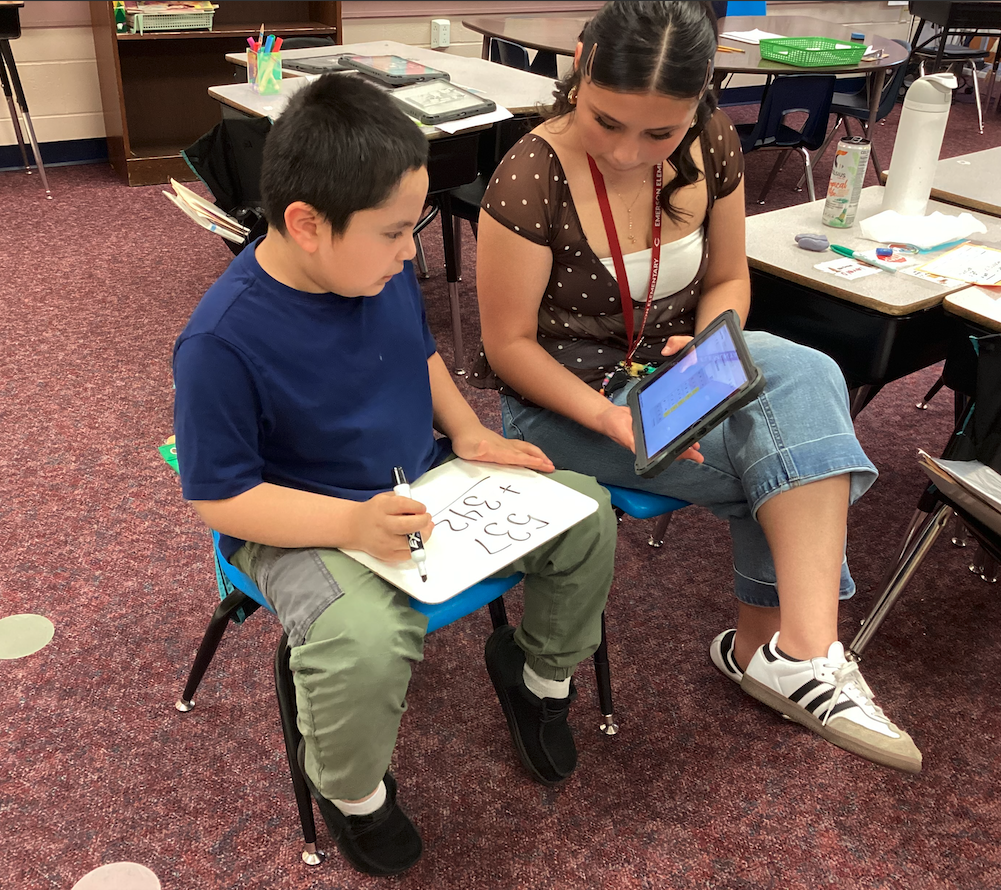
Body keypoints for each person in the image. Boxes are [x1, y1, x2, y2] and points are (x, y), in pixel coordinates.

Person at [172, 75, 617, 877]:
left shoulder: (368, 270)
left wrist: (471, 431)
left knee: (584, 514)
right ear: (306, 225)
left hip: (420, 487)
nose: (411, 250)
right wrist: (346, 524)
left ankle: (539, 675)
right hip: (299, 525)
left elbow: (420, 354)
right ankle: (352, 793)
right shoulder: (219, 343)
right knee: (364, 640)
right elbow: (219, 496)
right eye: (392, 233)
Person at [472, 0, 921, 774]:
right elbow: (507, 347)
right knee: (774, 463)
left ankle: (798, 650)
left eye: (659, 133)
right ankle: (777, 654)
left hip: (673, 369)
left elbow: (728, 278)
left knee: (809, 370)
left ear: (697, 101)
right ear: (580, 66)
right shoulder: (528, 176)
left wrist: (713, 341)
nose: (625, 152)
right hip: (566, 399)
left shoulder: (711, 140)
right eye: (608, 122)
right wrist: (608, 422)